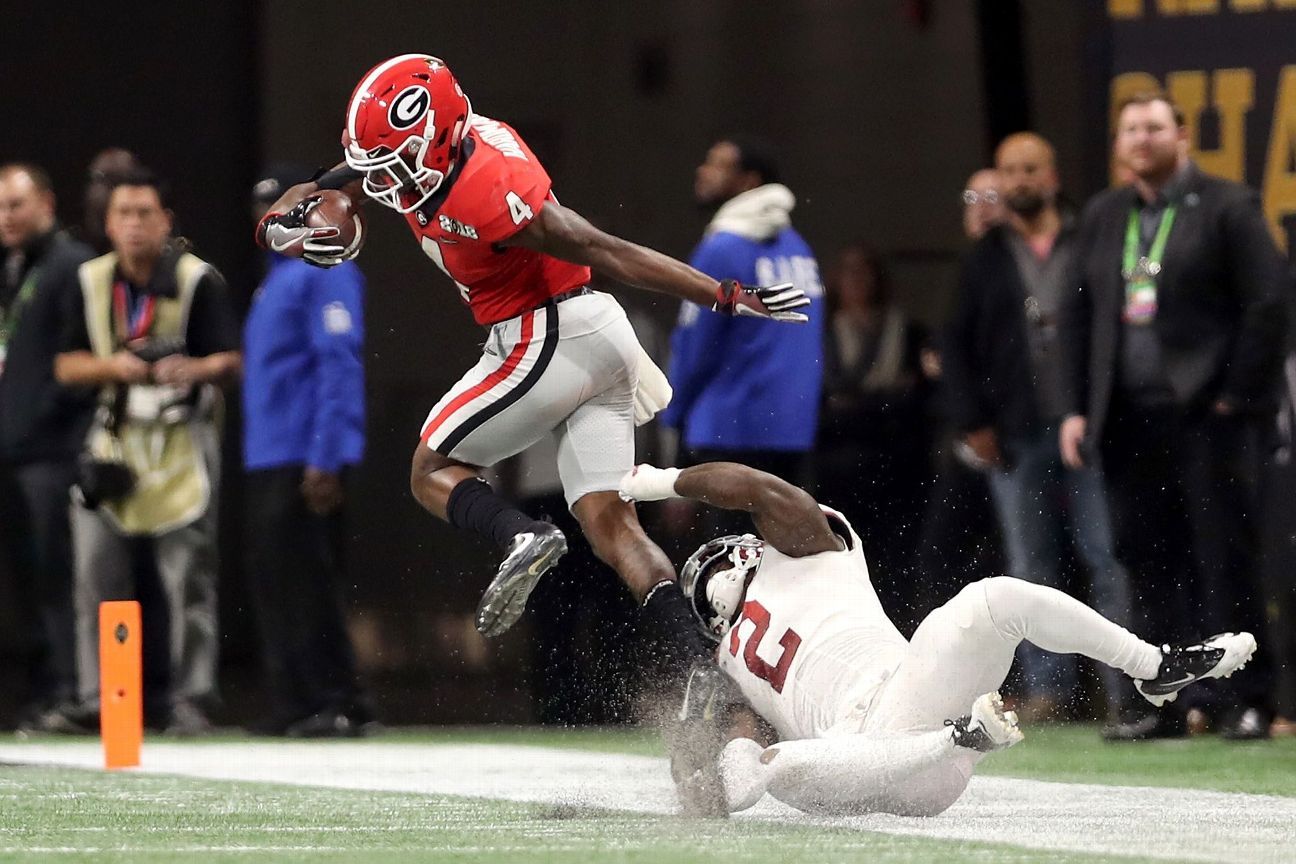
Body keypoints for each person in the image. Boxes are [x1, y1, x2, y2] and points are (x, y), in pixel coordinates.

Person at [255, 55, 811, 701]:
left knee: (431, 469)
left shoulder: (491, 190)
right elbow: (335, 181)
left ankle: (520, 533)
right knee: (612, 525)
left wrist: (723, 293)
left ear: (437, 140)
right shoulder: (431, 146)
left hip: (548, 332)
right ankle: (700, 667)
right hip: (588, 334)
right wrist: (283, 224)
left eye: (397, 165)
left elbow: (607, 249)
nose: (386, 182)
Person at [618, 460, 1257, 817]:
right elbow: (759, 489)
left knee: (775, 769)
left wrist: (708, 776)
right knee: (768, 767)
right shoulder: (747, 633)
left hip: (899, 735)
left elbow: (760, 491)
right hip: (874, 755)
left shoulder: (784, 584)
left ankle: (1149, 667)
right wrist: (662, 481)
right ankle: (973, 732)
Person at [1058, 91, 1288, 740]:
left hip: (1207, 418)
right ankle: (1164, 703)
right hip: (1127, 421)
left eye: (1155, 127)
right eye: (1131, 128)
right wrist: (1074, 408)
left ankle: (1246, 699)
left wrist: (1236, 396)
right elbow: (1077, 314)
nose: (1142, 138)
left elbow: (1269, 302)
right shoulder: (1104, 214)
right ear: (1117, 144)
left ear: (1182, 135)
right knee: (1146, 563)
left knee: (1223, 560)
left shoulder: (1227, 205)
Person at [942, 133, 1134, 723]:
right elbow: (956, 344)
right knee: (1030, 567)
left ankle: (1126, 689)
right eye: (1009, 171)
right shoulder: (984, 256)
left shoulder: (1088, 239)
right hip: (1014, 429)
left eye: (1030, 170)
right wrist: (973, 421)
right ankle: (1050, 689)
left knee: (1107, 556)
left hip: (1090, 423)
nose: (1019, 181)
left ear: (1052, 177)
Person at [55, 168, 241, 735]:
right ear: (108, 224)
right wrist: (114, 366)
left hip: (180, 442)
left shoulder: (196, 279)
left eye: (145, 213)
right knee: (96, 578)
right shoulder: (89, 280)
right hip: (112, 442)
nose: (134, 224)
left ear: (166, 221)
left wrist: (193, 368)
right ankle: (101, 699)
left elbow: (232, 359)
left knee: (189, 581)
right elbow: (65, 365)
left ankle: (191, 700)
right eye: (123, 214)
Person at [243, 166, 373, 737]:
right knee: (278, 579)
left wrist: (327, 456)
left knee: (310, 582)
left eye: (279, 208)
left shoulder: (326, 268)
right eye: (263, 210)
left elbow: (338, 365)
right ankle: (295, 702)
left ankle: (340, 701)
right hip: (268, 453)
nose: (269, 219)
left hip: (303, 452)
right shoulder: (276, 278)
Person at [659, 136, 825, 511]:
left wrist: (673, 415)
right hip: (792, 430)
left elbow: (697, 345)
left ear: (749, 181)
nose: (703, 171)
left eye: (718, 165)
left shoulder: (722, 249)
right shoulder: (799, 249)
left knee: (725, 549)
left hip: (727, 430)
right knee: (786, 545)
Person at [0, 164, 95, 730]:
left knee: (58, 578)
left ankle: (68, 690)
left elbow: (80, 359)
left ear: (47, 204)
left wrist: (54, 427)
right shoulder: (14, 268)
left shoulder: (72, 265)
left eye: (15, 204)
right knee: (25, 583)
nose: (5, 217)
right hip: (15, 451)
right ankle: (41, 693)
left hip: (52, 453)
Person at [816, 243, 928, 629]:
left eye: (866, 270)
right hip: (840, 466)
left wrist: (859, 403)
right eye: (849, 271)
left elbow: (917, 398)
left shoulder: (907, 332)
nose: (858, 280)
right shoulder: (822, 336)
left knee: (898, 559)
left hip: (898, 465)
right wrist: (885, 398)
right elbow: (823, 403)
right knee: (844, 557)